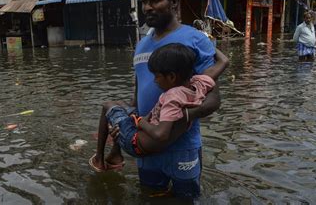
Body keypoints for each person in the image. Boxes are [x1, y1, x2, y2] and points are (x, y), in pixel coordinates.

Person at [112, 0, 220, 198]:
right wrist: (125, 124)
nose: (148, 7)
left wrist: (175, 122)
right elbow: (137, 96)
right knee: (151, 195)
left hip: (182, 146)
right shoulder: (141, 44)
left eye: (155, 0)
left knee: (185, 200)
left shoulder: (195, 39)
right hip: (147, 145)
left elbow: (212, 99)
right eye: (144, 1)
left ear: (174, 2)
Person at [90, 44, 228, 174]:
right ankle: (115, 154)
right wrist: (206, 43)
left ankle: (99, 160)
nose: (155, 81)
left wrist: (141, 123)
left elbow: (161, 134)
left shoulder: (172, 97)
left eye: (156, 76)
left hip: (135, 143)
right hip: (153, 140)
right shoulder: (199, 83)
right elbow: (224, 61)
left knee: (108, 106)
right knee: (121, 107)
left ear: (172, 77)